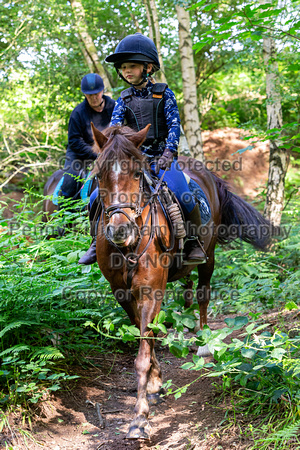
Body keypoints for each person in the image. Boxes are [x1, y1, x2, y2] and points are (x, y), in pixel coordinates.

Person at [79, 34, 206, 265]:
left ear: (147, 67)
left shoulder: (163, 93)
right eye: (124, 67)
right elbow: (114, 129)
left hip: (162, 157)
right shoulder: (123, 99)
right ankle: (95, 242)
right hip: (134, 160)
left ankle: (193, 242)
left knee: (182, 192)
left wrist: (169, 152)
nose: (127, 71)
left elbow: (174, 126)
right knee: (97, 195)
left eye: (132, 66)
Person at [60, 73, 115, 203]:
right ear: (85, 94)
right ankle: (63, 219)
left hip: (109, 152)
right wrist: (96, 154)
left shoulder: (114, 107)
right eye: (90, 95)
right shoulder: (78, 113)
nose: (94, 98)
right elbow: (74, 141)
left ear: (102, 91)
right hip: (80, 154)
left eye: (97, 94)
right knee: (70, 181)